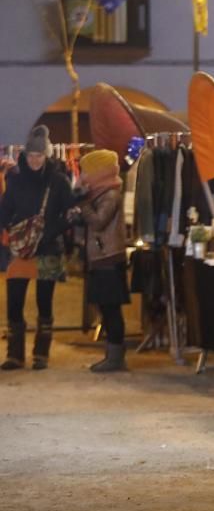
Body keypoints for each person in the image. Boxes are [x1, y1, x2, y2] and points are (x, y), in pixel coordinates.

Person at [0, 125, 74, 370]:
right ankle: (15, 354)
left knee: (45, 303)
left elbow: (69, 213)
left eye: (39, 155)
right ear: (25, 154)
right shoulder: (16, 179)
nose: (34, 159)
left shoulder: (58, 181)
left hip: (49, 248)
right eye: (31, 155)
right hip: (21, 249)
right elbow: (5, 210)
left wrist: (50, 231)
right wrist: (9, 230)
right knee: (14, 303)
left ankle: (41, 354)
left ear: (47, 155)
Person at [69, 149, 129, 372]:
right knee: (106, 307)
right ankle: (112, 355)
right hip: (101, 257)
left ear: (98, 172)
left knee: (111, 308)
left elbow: (98, 222)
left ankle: (116, 358)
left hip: (108, 258)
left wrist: (83, 205)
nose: (83, 175)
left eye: (86, 170)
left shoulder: (110, 194)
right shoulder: (99, 193)